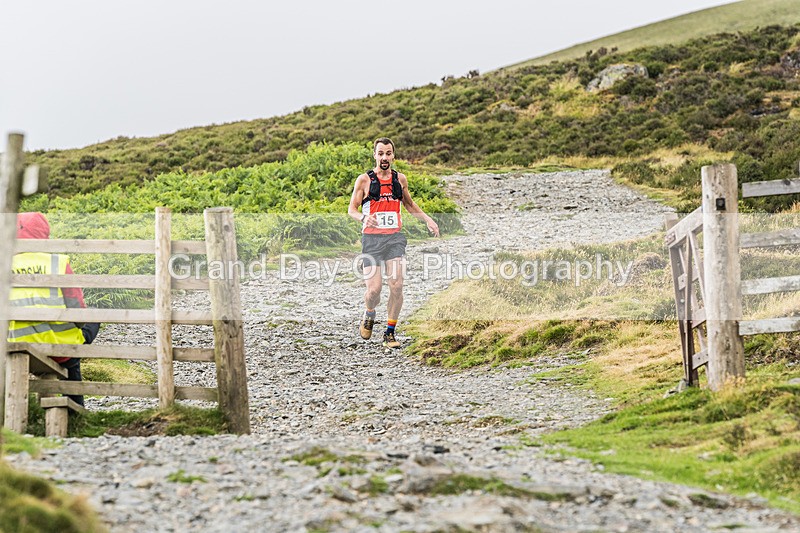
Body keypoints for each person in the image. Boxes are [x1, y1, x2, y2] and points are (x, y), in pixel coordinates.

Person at [348, 137, 440, 348]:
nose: (384, 158)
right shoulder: (364, 180)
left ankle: (390, 333)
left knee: (397, 285)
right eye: (380, 153)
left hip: (394, 239)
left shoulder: (400, 179)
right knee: (374, 291)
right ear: (375, 155)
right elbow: (352, 209)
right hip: (371, 239)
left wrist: (428, 219)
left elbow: (409, 204)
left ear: (393, 156)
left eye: (388, 154)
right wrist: (363, 218)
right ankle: (369, 312)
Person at [7, 212, 100, 406]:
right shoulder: (58, 262)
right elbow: (77, 308)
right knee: (92, 320)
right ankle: (75, 407)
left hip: (15, 345)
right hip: (59, 349)